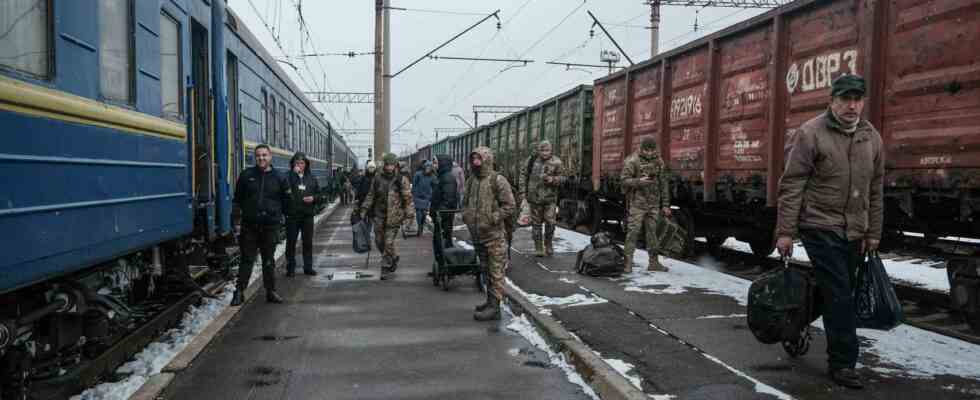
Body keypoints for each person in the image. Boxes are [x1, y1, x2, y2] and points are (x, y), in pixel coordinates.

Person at [776, 74, 883, 390]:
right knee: (840, 294)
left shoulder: (871, 137)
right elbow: (792, 184)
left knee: (834, 290)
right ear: (832, 100)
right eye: (845, 99)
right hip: (819, 225)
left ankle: (794, 322)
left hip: (854, 230)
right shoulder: (811, 133)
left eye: (857, 99)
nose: (852, 106)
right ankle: (843, 363)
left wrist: (873, 232)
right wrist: (785, 232)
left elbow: (875, 188)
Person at [231, 144, 289, 305]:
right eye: (258, 156)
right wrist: (236, 222)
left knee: (268, 260)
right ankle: (239, 292)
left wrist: (281, 217)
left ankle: (271, 291)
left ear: (270, 157)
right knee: (246, 260)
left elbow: (286, 201)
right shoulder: (246, 175)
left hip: (270, 226)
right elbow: (237, 200)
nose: (261, 158)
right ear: (255, 157)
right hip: (250, 226)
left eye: (264, 155)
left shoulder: (280, 177)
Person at [462, 147, 516, 321]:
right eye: (473, 159)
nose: (475, 162)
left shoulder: (497, 180)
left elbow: (509, 206)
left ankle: (495, 308)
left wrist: (493, 218)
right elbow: (465, 201)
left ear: (486, 159)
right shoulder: (472, 180)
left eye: (479, 158)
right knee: (485, 271)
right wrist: (467, 215)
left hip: (494, 236)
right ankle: (490, 301)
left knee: (496, 272)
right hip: (478, 235)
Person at [355, 153, 414, 279]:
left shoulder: (401, 180)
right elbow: (371, 195)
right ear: (384, 165)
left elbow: (408, 199)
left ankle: (385, 268)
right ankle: (393, 256)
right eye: (388, 165)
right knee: (379, 241)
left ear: (395, 165)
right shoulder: (377, 179)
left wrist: (409, 216)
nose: (390, 168)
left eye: (392, 165)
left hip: (394, 216)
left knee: (388, 242)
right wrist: (363, 210)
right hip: (379, 215)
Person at [621, 137, 672, 273]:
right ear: (642, 149)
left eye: (652, 150)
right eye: (646, 150)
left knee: (653, 234)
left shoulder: (659, 161)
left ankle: (654, 262)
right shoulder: (633, 160)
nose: (649, 153)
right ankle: (627, 263)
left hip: (654, 205)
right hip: (637, 204)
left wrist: (666, 205)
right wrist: (639, 181)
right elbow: (624, 181)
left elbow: (664, 184)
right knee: (633, 233)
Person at [519, 140, 565, 257]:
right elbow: (523, 175)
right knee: (536, 224)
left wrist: (553, 180)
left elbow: (564, 179)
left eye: (547, 150)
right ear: (539, 151)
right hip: (534, 198)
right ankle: (538, 247)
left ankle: (548, 244)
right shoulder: (532, 160)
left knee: (550, 223)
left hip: (550, 199)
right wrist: (523, 193)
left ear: (551, 150)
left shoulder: (557, 162)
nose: (545, 153)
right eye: (542, 150)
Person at [284, 152, 320, 277]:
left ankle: (308, 267)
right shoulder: (288, 177)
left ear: (306, 164)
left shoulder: (311, 178)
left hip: (307, 215)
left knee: (307, 242)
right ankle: (290, 268)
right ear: (293, 164)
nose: (299, 165)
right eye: (297, 163)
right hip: (292, 215)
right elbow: (284, 191)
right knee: (291, 243)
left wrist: (313, 198)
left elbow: (319, 194)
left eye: (302, 163)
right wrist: (294, 175)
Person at [430, 154, 459, 248]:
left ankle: (445, 261)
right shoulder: (442, 177)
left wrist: (439, 214)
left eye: (435, 163)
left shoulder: (447, 178)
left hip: (443, 218)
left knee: (442, 243)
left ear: (442, 163)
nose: (433, 165)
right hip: (441, 217)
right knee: (440, 242)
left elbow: (448, 200)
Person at [412, 161, 435, 237]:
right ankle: (419, 227)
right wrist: (414, 194)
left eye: (429, 167)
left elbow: (435, 186)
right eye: (427, 167)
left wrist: (431, 196)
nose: (428, 169)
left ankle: (421, 225)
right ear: (424, 167)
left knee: (424, 214)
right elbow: (414, 184)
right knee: (419, 213)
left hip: (427, 198)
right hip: (418, 197)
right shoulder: (418, 174)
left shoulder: (432, 176)